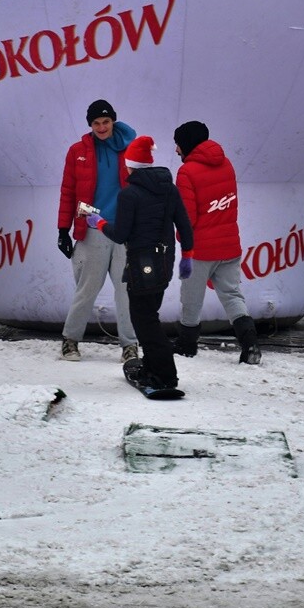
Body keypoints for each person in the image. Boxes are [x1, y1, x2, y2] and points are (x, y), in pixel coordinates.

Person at [86, 135, 193, 391]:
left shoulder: (130, 194)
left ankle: (165, 375)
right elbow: (185, 225)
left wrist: (98, 223)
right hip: (165, 260)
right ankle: (152, 366)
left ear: (130, 164)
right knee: (150, 315)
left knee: (144, 321)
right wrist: (187, 256)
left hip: (141, 264)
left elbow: (121, 234)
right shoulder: (169, 188)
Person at [172, 121, 261, 365]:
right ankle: (250, 343)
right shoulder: (227, 163)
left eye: (178, 144)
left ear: (187, 143)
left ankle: (187, 345)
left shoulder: (187, 172)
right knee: (232, 295)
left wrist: (182, 240)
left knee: (191, 298)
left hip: (200, 250)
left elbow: (187, 218)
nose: (177, 150)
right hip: (229, 246)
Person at [57, 99, 139, 362]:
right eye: (96, 123)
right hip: (93, 227)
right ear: (90, 125)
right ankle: (70, 340)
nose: (102, 127)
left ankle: (130, 344)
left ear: (113, 121)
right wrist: (62, 229)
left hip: (125, 230)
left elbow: (145, 190)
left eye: (106, 122)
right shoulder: (77, 151)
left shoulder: (133, 149)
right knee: (87, 287)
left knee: (126, 289)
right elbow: (68, 191)